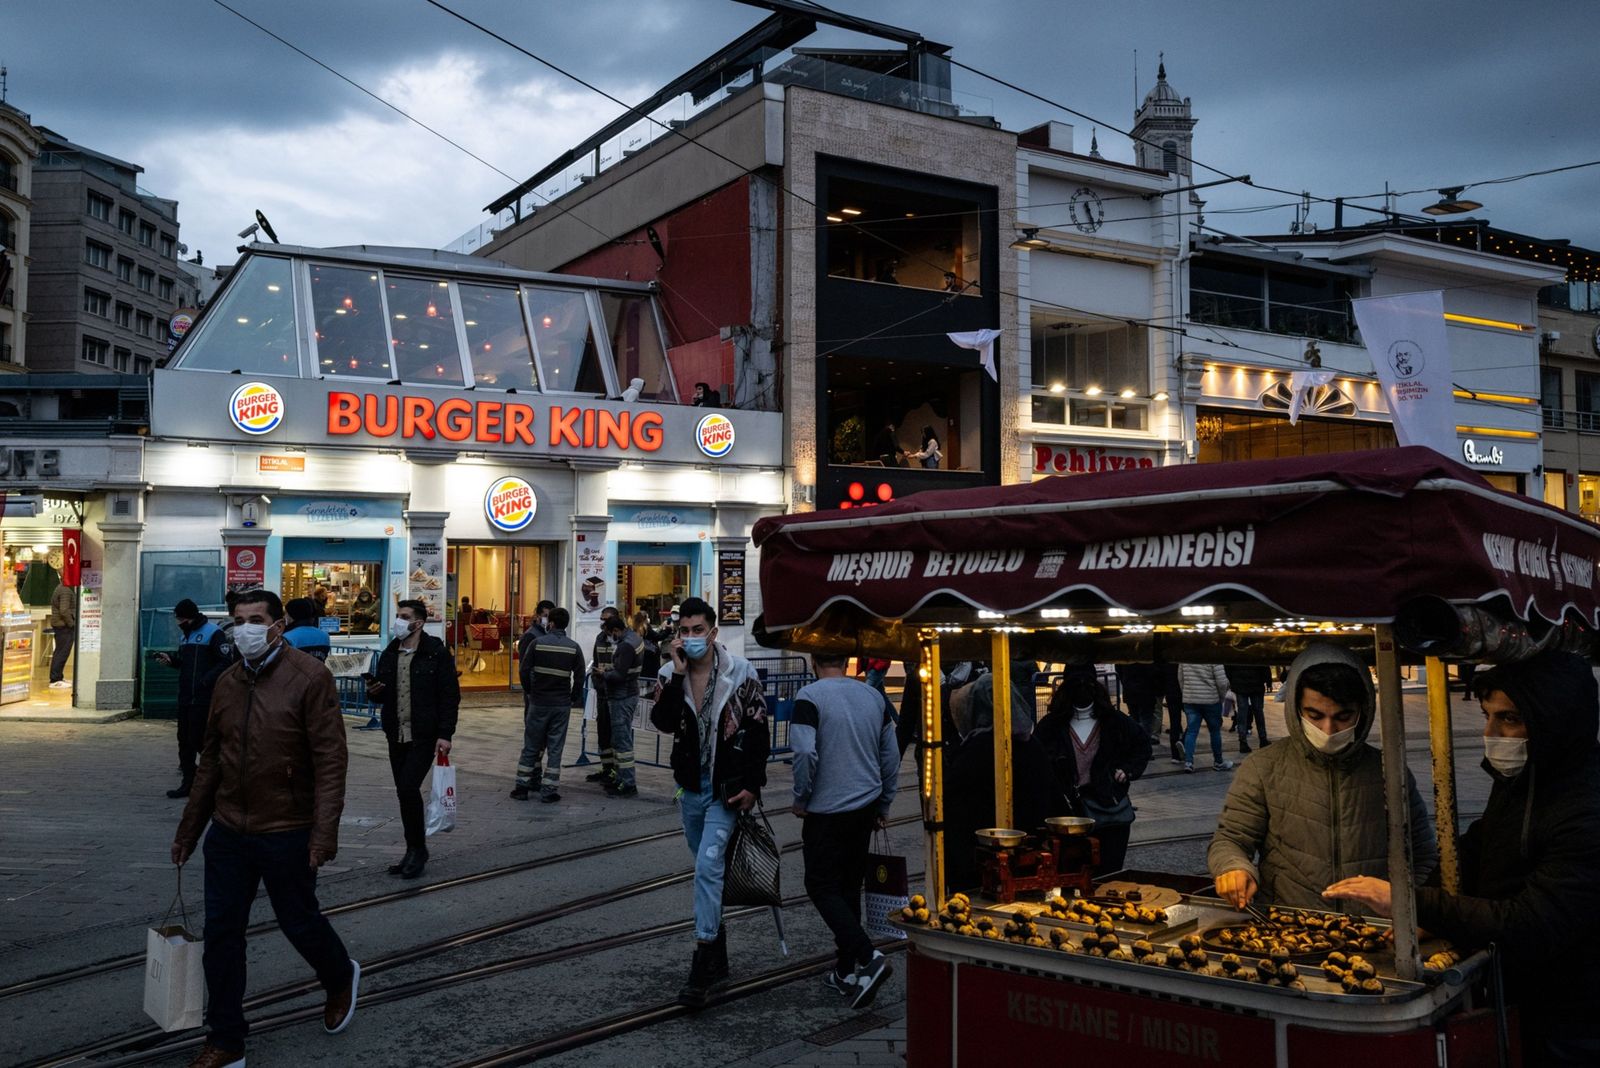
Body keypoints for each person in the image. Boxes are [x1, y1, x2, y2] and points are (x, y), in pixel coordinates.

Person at [1323, 651, 1600, 1064]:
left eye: (1509, 719)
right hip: (1516, 995)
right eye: (1488, 715)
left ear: (1555, 721)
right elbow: (1473, 851)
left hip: (1572, 1017)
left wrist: (1410, 902)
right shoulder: (1522, 777)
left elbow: (1529, 923)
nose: (1491, 733)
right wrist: (1424, 916)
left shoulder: (1586, 809)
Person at [170, 589, 358, 1068]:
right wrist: (189, 830)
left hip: (287, 827)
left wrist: (324, 833)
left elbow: (331, 760)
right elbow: (211, 760)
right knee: (222, 934)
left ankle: (339, 976)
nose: (246, 629)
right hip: (229, 829)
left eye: (256, 619)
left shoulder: (309, 678)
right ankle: (226, 1040)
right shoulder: (228, 682)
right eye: (238, 620)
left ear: (278, 625)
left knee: (299, 922)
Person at [1209, 643, 1439, 911]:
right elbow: (1231, 840)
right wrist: (1233, 868)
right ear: (1296, 709)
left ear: (1363, 712)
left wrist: (1410, 907)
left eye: (1343, 717)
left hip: (1372, 929)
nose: (1329, 729)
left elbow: (1423, 855)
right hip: (1290, 923)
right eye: (1315, 716)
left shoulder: (1389, 770)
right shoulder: (1262, 767)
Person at [649, 596, 769, 1007]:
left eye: (698, 630)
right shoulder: (669, 673)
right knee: (707, 870)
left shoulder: (741, 673)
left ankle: (702, 961)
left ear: (713, 633)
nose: (690, 637)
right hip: (691, 789)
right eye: (684, 631)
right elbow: (661, 723)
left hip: (726, 788)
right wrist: (679, 675)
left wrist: (754, 785)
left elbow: (758, 731)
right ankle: (718, 953)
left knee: (707, 866)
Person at [791, 651, 900, 1009]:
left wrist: (802, 795)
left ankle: (869, 958)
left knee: (820, 885)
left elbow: (805, 752)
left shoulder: (809, 698)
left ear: (812, 661)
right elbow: (891, 754)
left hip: (826, 808)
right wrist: (884, 801)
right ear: (848, 660)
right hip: (864, 806)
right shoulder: (872, 696)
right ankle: (846, 971)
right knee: (849, 887)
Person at [942, 671, 1072, 895]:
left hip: (982, 862)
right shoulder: (1032, 746)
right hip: (1031, 859)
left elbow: (954, 811)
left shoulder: (973, 751)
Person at [367, 599, 460, 880]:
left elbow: (449, 696)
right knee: (403, 792)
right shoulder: (390, 652)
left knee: (408, 787)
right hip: (396, 733)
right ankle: (413, 849)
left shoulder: (436, 653)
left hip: (424, 734)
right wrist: (373, 690)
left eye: (404, 616)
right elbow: (383, 695)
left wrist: (445, 733)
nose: (398, 621)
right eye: (397, 615)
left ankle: (418, 850)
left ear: (418, 623)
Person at [1034, 672, 1149, 873]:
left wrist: (1127, 770)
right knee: (1070, 873)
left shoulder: (1114, 721)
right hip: (1066, 813)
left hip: (1108, 809)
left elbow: (1142, 746)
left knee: (1108, 872)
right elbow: (1037, 760)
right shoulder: (1051, 725)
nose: (1082, 689)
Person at [153, 599, 233, 799]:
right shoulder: (185, 637)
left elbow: (225, 661)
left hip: (204, 697)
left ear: (190, 617)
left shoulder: (213, 633)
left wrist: (206, 681)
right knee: (184, 741)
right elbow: (185, 663)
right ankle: (188, 782)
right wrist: (171, 661)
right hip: (186, 697)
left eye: (181, 618)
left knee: (199, 739)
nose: (178, 622)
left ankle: (215, 777)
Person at [512, 606, 584, 803]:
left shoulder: (537, 643)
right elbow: (579, 678)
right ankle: (549, 789)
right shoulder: (573, 647)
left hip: (539, 702)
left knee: (531, 745)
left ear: (550, 623)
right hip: (561, 704)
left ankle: (522, 787)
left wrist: (530, 690)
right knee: (555, 747)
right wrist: (572, 697)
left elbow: (524, 670)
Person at [601, 611, 643, 797]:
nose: (610, 638)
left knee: (622, 741)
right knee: (619, 739)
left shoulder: (625, 646)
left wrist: (603, 673)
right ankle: (620, 779)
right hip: (629, 692)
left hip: (622, 695)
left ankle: (628, 783)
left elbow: (620, 675)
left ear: (616, 630)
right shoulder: (635, 638)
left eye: (610, 634)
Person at [586, 606, 621, 787]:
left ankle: (617, 771)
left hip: (616, 694)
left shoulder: (622, 640)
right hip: (602, 693)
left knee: (617, 735)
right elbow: (595, 663)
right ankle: (606, 768)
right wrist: (598, 682)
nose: (602, 622)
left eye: (605, 619)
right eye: (601, 618)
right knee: (603, 733)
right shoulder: (600, 639)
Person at [1178, 662, 1234, 773]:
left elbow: (1180, 678)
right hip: (1211, 700)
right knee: (1215, 732)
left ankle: (1189, 762)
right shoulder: (1212, 656)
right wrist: (1222, 697)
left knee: (1191, 731)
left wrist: (1186, 693)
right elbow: (1222, 683)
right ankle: (1218, 762)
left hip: (1191, 700)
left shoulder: (1184, 657)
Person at [1224, 663, 1272, 753]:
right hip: (1257, 683)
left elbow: (1228, 665)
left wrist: (1233, 680)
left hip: (1240, 684)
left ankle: (1243, 742)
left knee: (1242, 713)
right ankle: (1263, 739)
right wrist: (1268, 681)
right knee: (1258, 712)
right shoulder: (1256, 649)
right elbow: (1264, 663)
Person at [1113, 662, 1163, 747]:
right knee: (1146, 721)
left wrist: (1125, 682)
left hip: (1130, 690)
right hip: (1146, 691)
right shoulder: (1147, 656)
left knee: (1134, 720)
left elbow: (1118, 668)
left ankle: (1136, 746)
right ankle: (1143, 746)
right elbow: (1155, 672)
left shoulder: (1126, 654)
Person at [47, 576, 76, 689]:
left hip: (60, 625)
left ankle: (58, 676)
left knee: (60, 651)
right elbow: (64, 610)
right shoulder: (65, 590)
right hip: (63, 626)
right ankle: (55, 679)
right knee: (62, 652)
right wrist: (71, 623)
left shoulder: (61, 588)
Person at [282, 598, 331, 663]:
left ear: (291, 615)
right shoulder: (325, 635)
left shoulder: (287, 637)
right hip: (318, 672)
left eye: (286, 613)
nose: (284, 616)